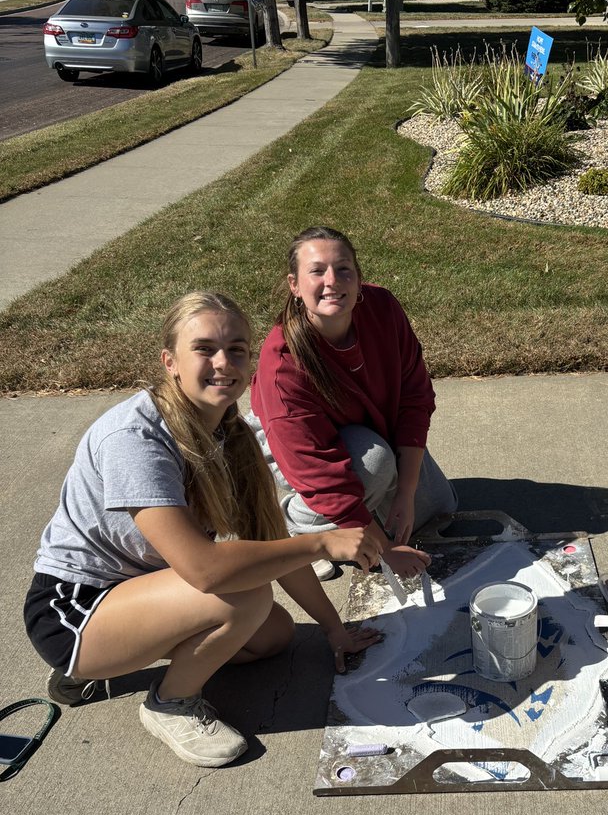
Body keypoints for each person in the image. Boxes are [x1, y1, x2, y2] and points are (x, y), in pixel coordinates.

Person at [24, 291, 387, 769]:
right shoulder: (135, 439)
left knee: (273, 635)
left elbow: (272, 542)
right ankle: (169, 701)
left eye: (236, 349)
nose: (223, 363)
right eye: (204, 349)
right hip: (72, 611)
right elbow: (205, 572)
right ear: (170, 362)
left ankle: (119, 654)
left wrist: (334, 630)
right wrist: (322, 541)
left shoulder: (229, 432)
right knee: (242, 595)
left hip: (142, 587)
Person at [247, 226, 457, 581]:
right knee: (376, 463)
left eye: (343, 269)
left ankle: (367, 502)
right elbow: (319, 473)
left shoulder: (383, 309)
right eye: (317, 271)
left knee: (438, 510)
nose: (332, 281)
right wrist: (385, 551)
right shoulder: (283, 366)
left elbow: (415, 397)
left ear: (358, 278)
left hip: (365, 426)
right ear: (294, 285)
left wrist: (406, 492)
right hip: (293, 444)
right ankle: (293, 525)